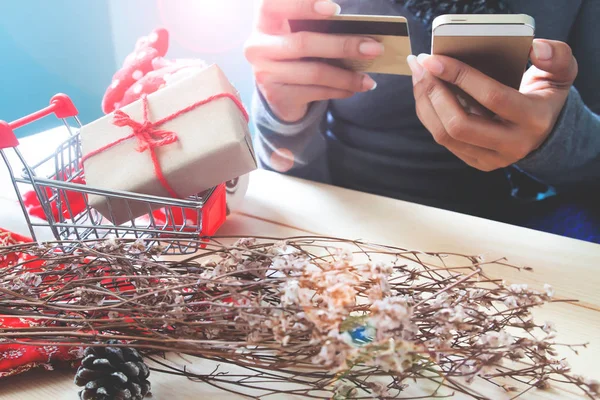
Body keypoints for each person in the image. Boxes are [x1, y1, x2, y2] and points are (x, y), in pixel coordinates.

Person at [244, 0, 600, 240]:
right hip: (350, 221)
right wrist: (282, 116)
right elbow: (285, 182)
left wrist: (555, 138)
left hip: (533, 233)